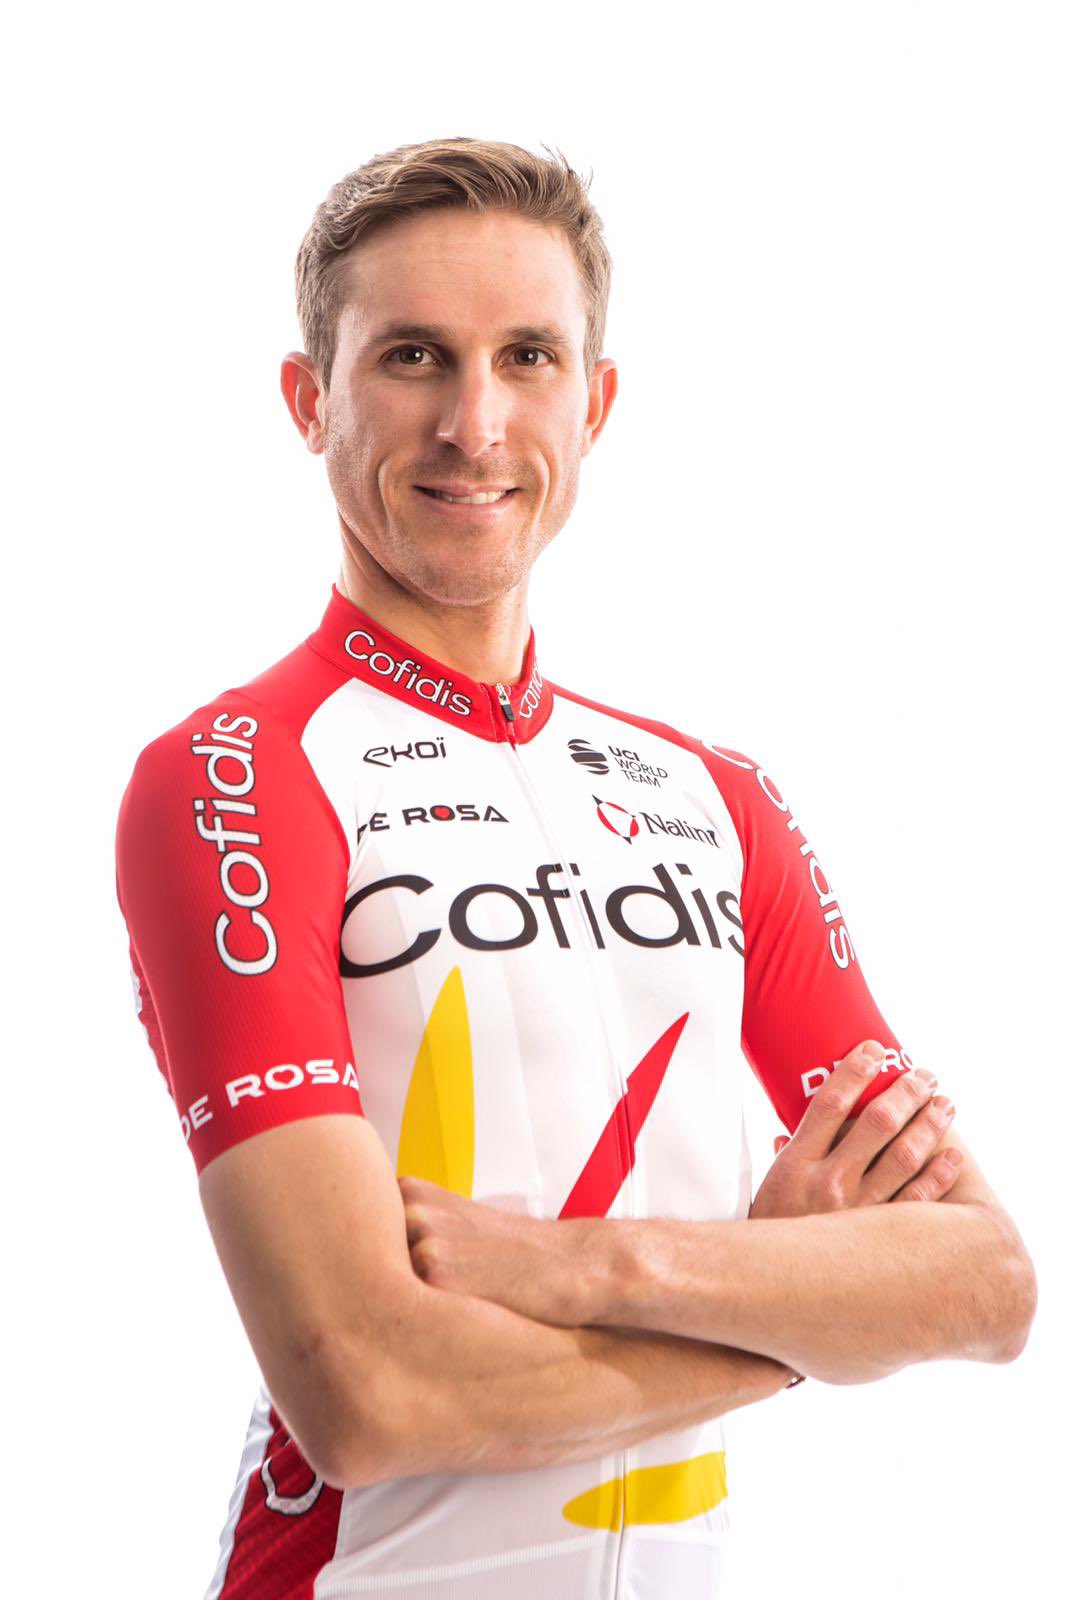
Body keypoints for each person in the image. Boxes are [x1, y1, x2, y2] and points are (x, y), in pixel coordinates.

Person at [114, 137, 1036, 1600]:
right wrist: (796, 1312)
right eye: (412, 357)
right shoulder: (234, 777)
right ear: (308, 400)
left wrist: (593, 1266)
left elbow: (983, 1284)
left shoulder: (716, 800)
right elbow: (366, 1392)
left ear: (593, 404)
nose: (472, 424)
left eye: (527, 358)